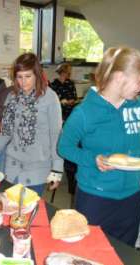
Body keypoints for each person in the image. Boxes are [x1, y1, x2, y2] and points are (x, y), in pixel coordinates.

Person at [58, 46, 140, 246]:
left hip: (132, 199)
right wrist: (92, 160)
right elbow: (64, 147)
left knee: (123, 254)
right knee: (88, 253)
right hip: (95, 199)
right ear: (120, 77)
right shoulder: (85, 112)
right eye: (139, 80)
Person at [0, 53, 63, 196]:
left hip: (37, 167)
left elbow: (56, 135)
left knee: (28, 210)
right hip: (12, 166)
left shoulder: (50, 97)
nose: (23, 82)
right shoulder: (12, 97)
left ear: (36, 74)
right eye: (19, 77)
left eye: (28, 76)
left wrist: (57, 169)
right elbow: (6, 132)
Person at [50, 63, 78, 198]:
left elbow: (74, 98)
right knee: (57, 143)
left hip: (69, 117)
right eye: (66, 72)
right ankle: (57, 169)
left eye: (68, 73)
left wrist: (70, 101)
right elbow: (51, 101)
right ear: (61, 72)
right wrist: (61, 102)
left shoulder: (70, 84)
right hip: (57, 117)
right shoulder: (53, 85)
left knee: (70, 143)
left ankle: (69, 175)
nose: (67, 75)